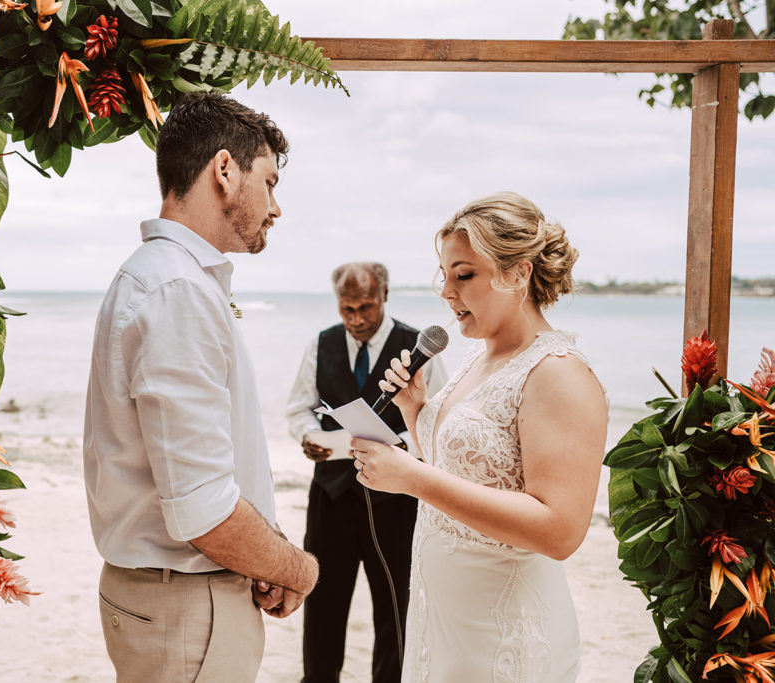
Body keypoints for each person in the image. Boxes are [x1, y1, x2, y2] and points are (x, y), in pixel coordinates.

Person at [83, 92, 319, 683]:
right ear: (224, 171)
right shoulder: (177, 290)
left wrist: (260, 552)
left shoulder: (164, 277)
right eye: (269, 181)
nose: (277, 206)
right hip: (187, 606)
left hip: (179, 594)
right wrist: (297, 567)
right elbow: (202, 510)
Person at [349, 192, 608, 682]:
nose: (447, 292)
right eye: (444, 275)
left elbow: (561, 530)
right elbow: (465, 469)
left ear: (519, 273)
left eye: (463, 274)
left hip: (503, 635)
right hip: (444, 626)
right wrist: (415, 410)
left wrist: (415, 480)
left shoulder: (559, 374)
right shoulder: (477, 357)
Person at [286, 262, 447, 683]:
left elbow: (440, 425)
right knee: (322, 605)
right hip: (331, 497)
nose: (356, 319)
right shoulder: (321, 344)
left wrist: (402, 452)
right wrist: (307, 436)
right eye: (347, 309)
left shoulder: (418, 349)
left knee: (395, 607)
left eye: (366, 307)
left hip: (397, 501)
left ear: (385, 296)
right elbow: (298, 407)